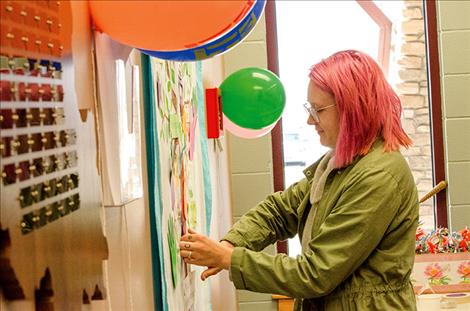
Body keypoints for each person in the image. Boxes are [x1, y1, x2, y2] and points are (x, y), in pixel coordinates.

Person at [179, 50, 419, 310]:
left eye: (318, 110)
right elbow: (281, 211)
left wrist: (231, 258)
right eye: (310, 108)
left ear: (353, 108)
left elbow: (316, 273)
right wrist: (231, 243)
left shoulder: (378, 176)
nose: (309, 120)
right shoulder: (338, 163)